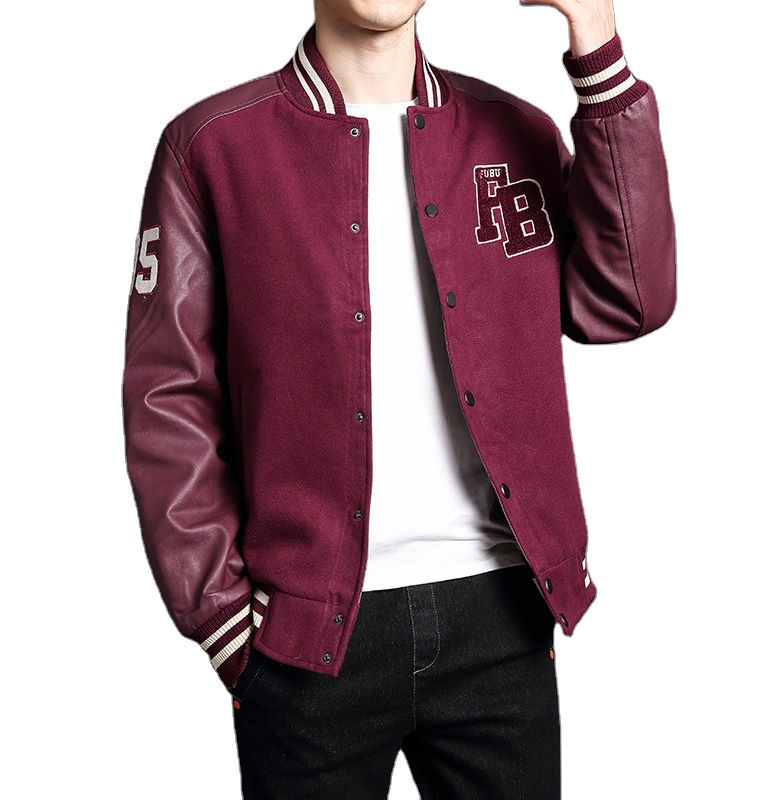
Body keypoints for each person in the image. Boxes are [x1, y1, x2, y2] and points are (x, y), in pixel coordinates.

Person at [122, 0, 676, 796]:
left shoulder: (514, 130)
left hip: (500, 619)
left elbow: (626, 299)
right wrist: (222, 621)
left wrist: (597, 45)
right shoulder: (211, 146)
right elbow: (166, 396)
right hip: (303, 637)